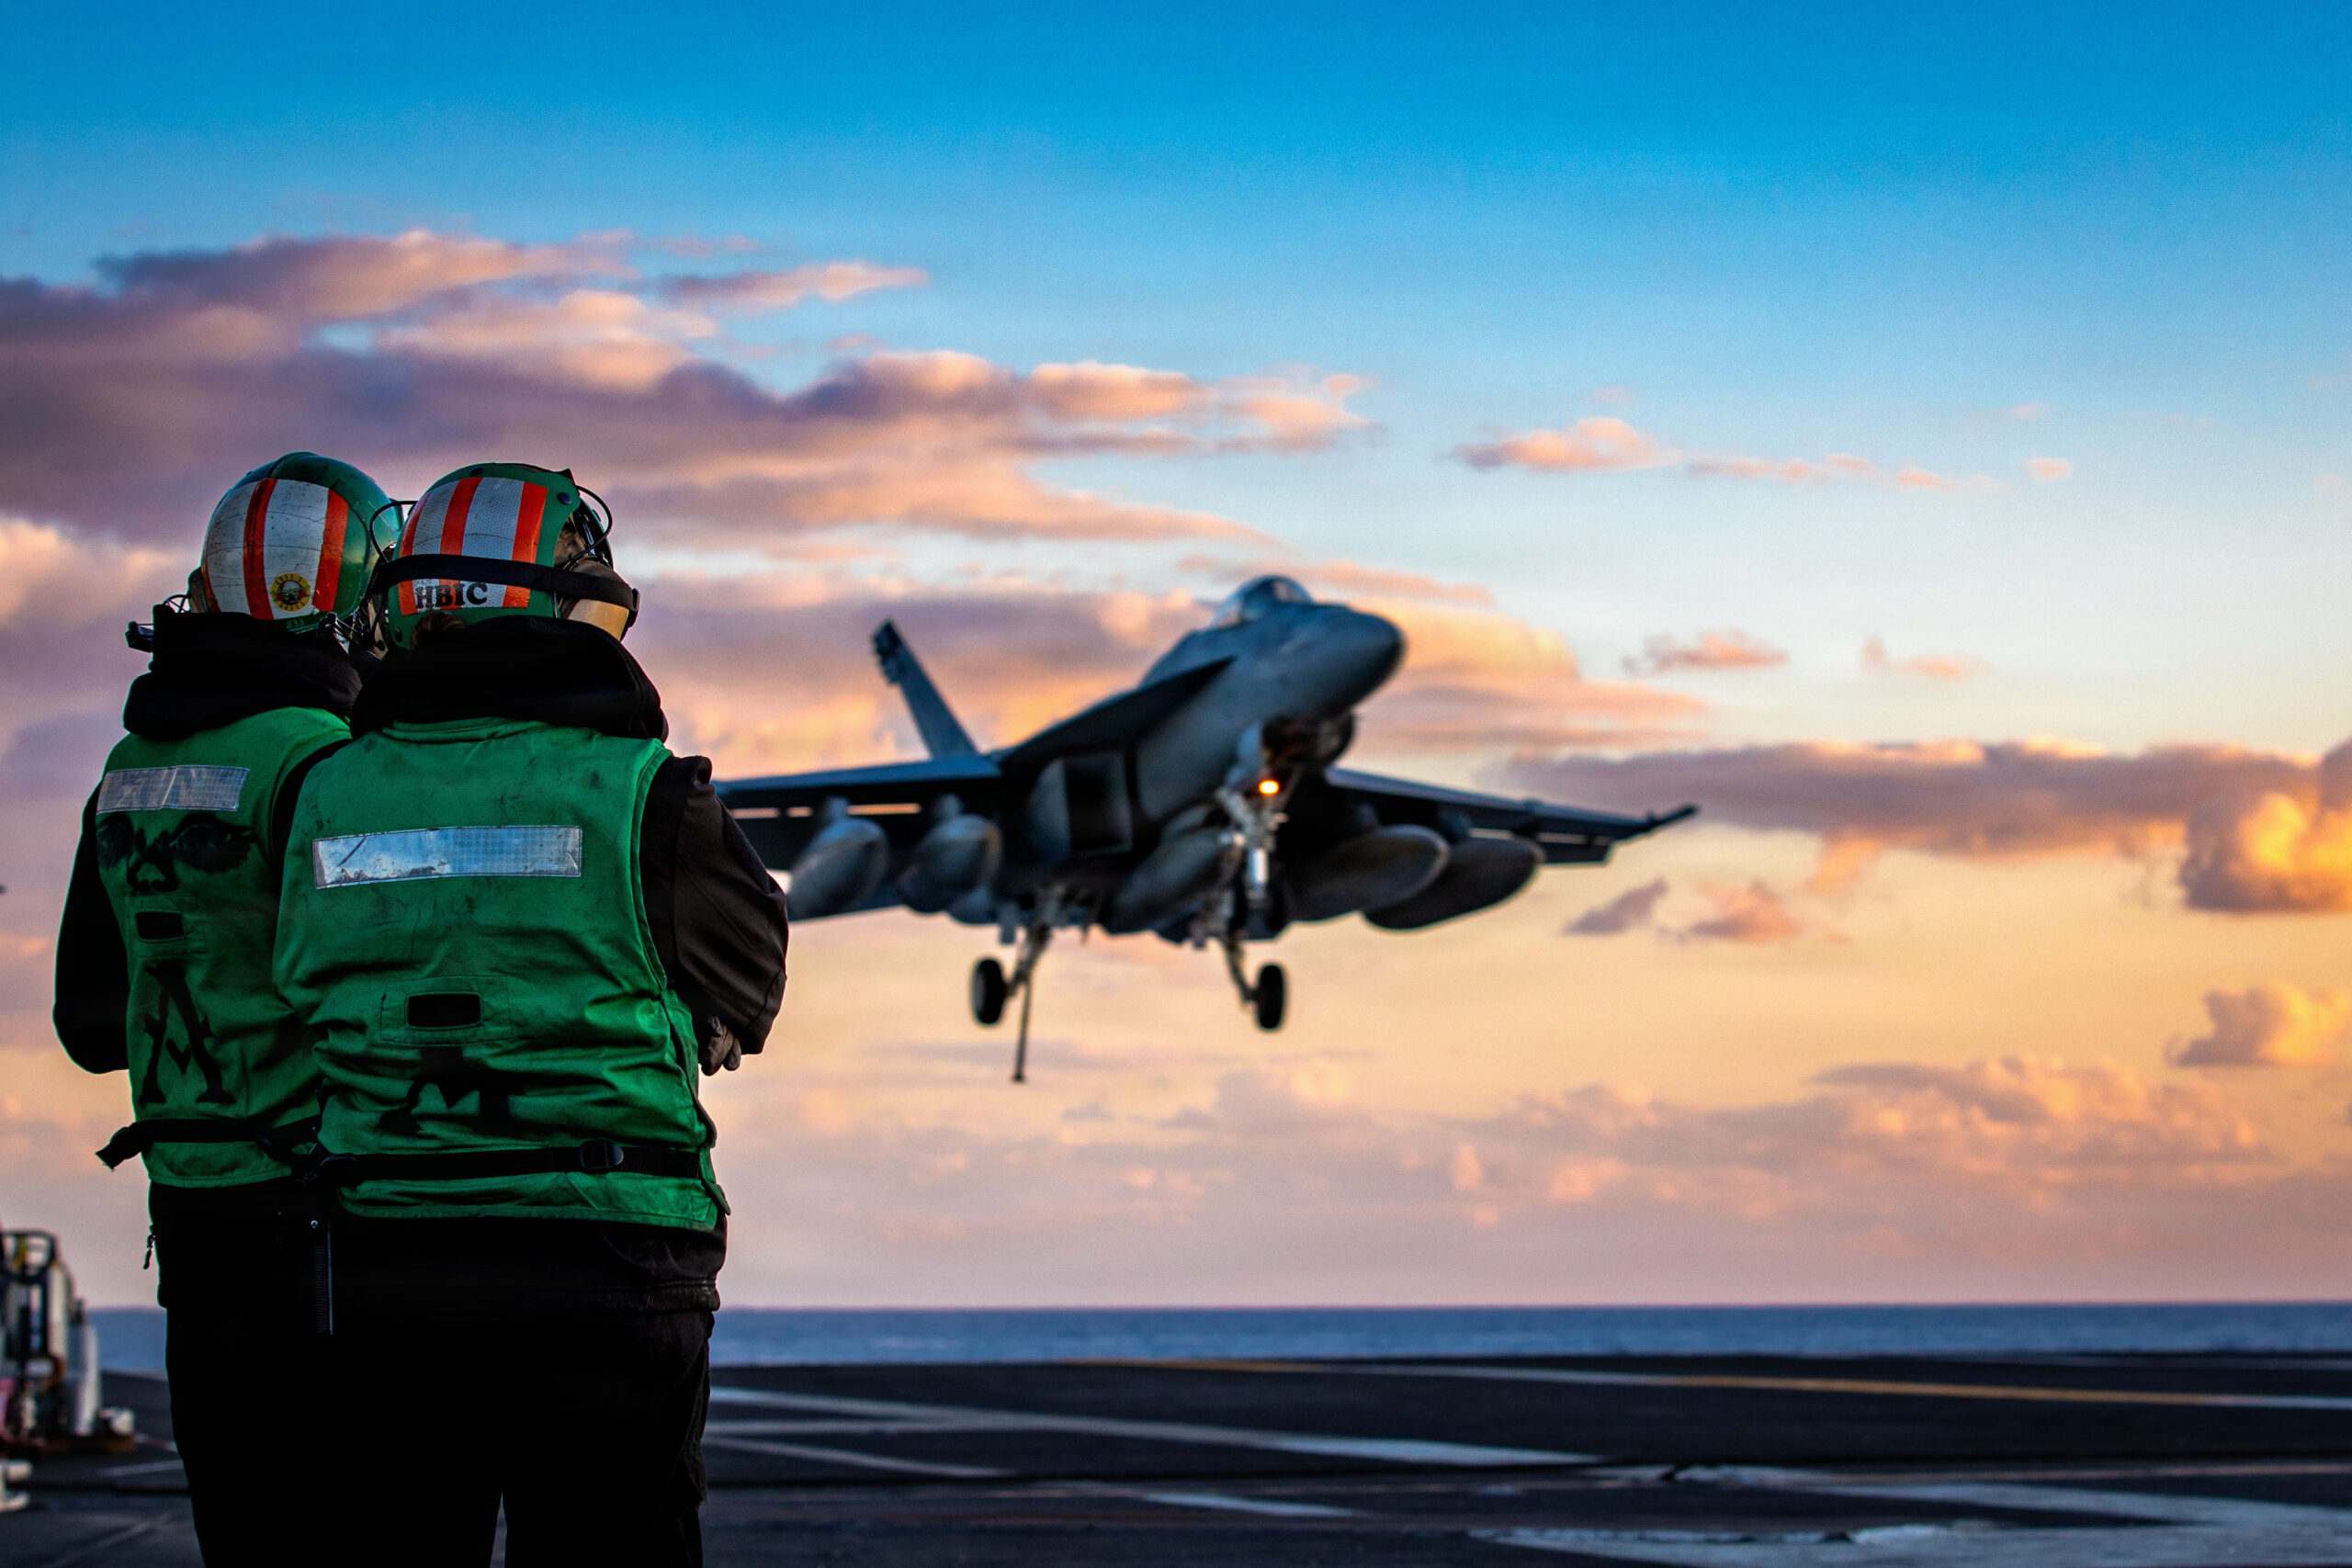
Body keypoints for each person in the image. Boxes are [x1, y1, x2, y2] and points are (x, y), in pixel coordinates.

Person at [272, 462, 787, 1567]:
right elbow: (748, 990)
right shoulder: (650, 790)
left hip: (387, 1251)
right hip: (608, 1252)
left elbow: (293, 983)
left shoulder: (318, 789)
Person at [52, 452, 398, 1565]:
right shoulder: (329, 765)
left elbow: (89, 1027)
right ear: (350, 606)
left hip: (194, 1217)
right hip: (329, 1224)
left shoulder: (122, 773)